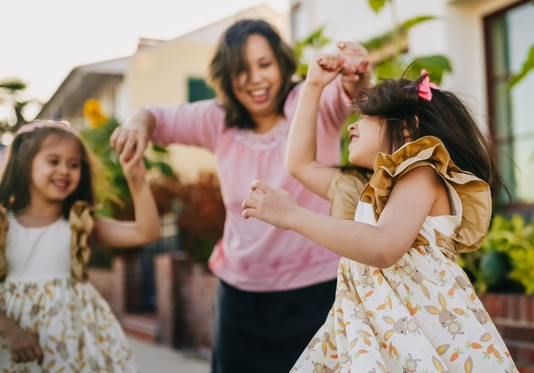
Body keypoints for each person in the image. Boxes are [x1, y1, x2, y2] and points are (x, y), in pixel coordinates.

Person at [110, 18, 369, 373]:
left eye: (264, 64)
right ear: (226, 76)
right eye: (240, 70)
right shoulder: (218, 119)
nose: (255, 79)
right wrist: (137, 124)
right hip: (241, 296)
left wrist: (356, 74)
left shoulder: (311, 100)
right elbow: (154, 115)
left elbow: (349, 93)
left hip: (321, 289)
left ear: (281, 62)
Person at [242, 52, 520, 373]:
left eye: (364, 117)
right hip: (372, 335)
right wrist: (314, 86)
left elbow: (383, 245)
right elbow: (300, 164)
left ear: (405, 128)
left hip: (429, 338)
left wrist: (292, 216)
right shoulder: (364, 190)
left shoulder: (423, 173)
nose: (352, 126)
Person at [0, 120, 160, 372]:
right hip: (15, 345)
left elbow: (147, 232)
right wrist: (8, 328)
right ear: (24, 164)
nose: (65, 170)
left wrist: (137, 180)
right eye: (53, 161)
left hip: (78, 348)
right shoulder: (3, 225)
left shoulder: (80, 224)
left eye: (73, 164)